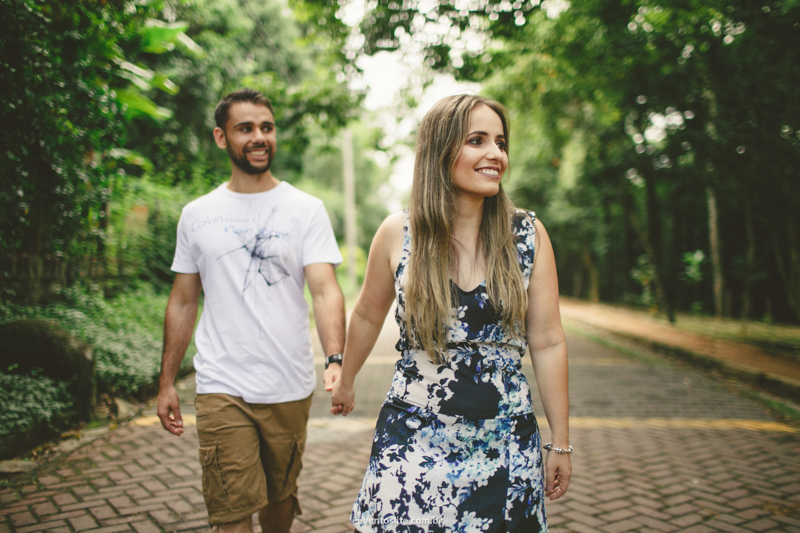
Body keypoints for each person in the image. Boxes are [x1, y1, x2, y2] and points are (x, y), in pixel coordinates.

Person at [330, 94, 571, 532]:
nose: (495, 154)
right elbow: (367, 315)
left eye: (500, 142)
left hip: (504, 444)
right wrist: (346, 379)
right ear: (441, 151)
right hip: (413, 437)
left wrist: (562, 442)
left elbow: (549, 339)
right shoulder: (398, 232)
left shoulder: (528, 235)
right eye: (477, 140)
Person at [157, 88, 346, 533]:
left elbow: (325, 291)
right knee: (231, 512)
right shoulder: (197, 214)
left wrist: (336, 358)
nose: (259, 137)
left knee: (279, 504)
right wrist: (167, 380)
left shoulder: (306, 209)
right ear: (222, 138)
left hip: (288, 383)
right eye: (246, 128)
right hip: (222, 383)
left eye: (267, 127)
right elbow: (184, 300)